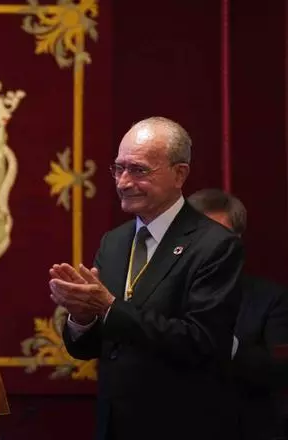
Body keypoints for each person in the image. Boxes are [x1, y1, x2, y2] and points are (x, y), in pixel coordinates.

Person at [49, 117, 244, 440]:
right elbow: (94, 348)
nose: (124, 182)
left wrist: (109, 308)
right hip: (115, 425)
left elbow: (203, 342)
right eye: (118, 168)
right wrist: (82, 318)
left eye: (138, 170)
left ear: (179, 174)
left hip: (182, 424)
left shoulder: (216, 245)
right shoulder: (114, 241)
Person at [189, 188, 288, 440]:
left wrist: (225, 343)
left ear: (237, 241)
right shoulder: (157, 294)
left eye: (218, 236)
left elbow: (280, 371)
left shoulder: (270, 299)